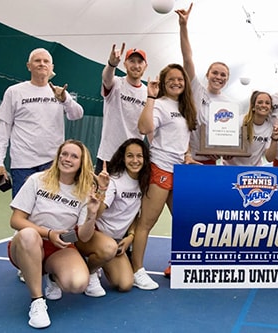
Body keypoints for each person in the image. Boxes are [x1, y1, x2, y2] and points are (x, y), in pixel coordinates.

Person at [7, 139, 103, 328]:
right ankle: (37, 301)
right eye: (64, 154)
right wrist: (48, 233)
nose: (67, 159)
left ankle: (52, 276)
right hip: (27, 244)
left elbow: (83, 237)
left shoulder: (84, 192)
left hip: (59, 247)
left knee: (77, 284)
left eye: (74, 156)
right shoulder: (37, 180)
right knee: (28, 234)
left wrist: (92, 213)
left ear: (81, 163)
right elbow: (16, 220)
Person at [131, 63, 197, 289]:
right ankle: (137, 270)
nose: (176, 82)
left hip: (180, 171)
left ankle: (179, 263)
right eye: (171, 79)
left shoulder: (186, 107)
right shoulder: (159, 104)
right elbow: (143, 128)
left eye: (180, 79)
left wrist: (187, 154)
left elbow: (182, 138)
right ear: (163, 81)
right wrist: (150, 97)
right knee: (146, 223)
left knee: (183, 219)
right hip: (160, 169)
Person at [0, 48, 84, 197]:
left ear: (52, 67)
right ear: (29, 65)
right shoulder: (14, 91)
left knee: (50, 212)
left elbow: (77, 114)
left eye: (46, 61)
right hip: (23, 165)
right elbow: (3, 130)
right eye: (37, 61)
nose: (42, 64)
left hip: (53, 164)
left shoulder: (59, 92)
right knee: (22, 212)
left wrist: (65, 100)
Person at [76, 138, 151, 296]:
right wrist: (102, 190)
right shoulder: (114, 181)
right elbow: (98, 214)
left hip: (115, 241)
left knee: (125, 284)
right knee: (107, 248)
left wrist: (130, 236)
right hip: (93, 234)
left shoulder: (144, 182)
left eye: (139, 156)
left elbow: (136, 215)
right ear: (123, 158)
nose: (135, 160)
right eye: (130, 156)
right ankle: (90, 271)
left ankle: (99, 259)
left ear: (145, 159)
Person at [177, 3, 235, 165]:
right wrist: (183, 26)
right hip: (186, 156)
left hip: (209, 159)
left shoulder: (229, 104)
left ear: (227, 79)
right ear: (207, 75)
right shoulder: (196, 89)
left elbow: (228, 135)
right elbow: (187, 59)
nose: (218, 77)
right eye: (215, 73)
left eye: (223, 75)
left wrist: (223, 151)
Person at [95, 44, 148, 174]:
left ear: (145, 66)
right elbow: (106, 78)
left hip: (133, 160)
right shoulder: (116, 83)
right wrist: (111, 64)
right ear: (125, 64)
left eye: (140, 62)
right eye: (132, 61)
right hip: (108, 157)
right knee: (99, 194)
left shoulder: (148, 93)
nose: (136, 65)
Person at [223, 91, 278, 166]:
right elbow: (225, 144)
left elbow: (269, 158)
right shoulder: (239, 121)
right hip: (231, 168)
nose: (263, 105)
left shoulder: (270, 127)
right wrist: (226, 152)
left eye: (267, 103)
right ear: (253, 107)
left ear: (270, 108)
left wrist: (275, 140)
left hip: (253, 171)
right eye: (260, 102)